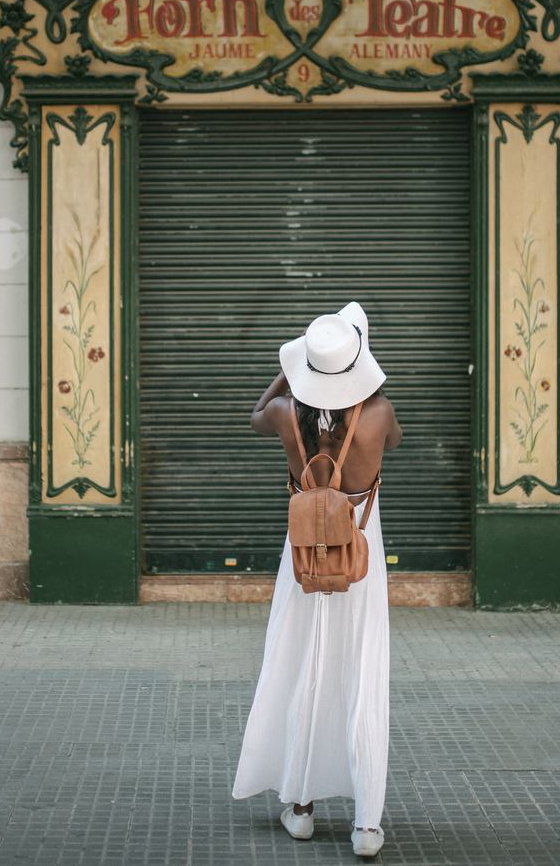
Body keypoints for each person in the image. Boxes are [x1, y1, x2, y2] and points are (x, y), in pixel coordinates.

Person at [232, 301, 403, 859]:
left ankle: (301, 808)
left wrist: (287, 371)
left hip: (305, 550)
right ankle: (367, 827)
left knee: (302, 661)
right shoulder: (378, 415)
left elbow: (254, 416)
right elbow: (394, 444)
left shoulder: (285, 413)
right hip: (359, 547)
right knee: (362, 670)